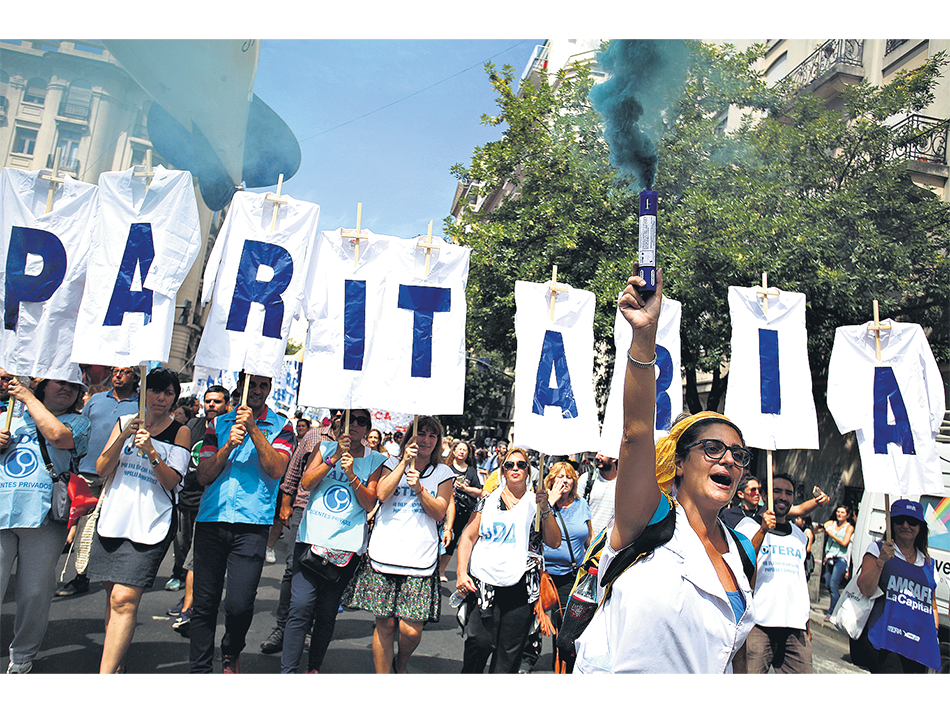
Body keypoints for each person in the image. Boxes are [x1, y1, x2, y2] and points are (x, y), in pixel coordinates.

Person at [574, 264, 756, 674]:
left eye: (738, 455)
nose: (728, 459)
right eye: (712, 448)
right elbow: (637, 433)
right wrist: (643, 338)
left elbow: (735, 652)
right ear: (678, 462)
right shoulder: (649, 517)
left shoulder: (743, 551)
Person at [189, 373, 295, 674]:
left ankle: (231, 650)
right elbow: (204, 476)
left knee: (239, 604)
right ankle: (198, 669)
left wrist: (252, 429)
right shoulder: (218, 424)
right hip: (212, 520)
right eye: (252, 385)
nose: (258, 391)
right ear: (240, 387)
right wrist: (227, 447)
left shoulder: (282, 426)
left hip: (252, 525)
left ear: (270, 388)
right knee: (204, 603)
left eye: (264, 385)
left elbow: (276, 468)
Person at [87, 367, 191, 674]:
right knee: (112, 595)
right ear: (144, 392)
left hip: (151, 523)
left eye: (168, 392)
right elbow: (103, 467)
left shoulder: (179, 432)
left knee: (124, 598)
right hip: (115, 519)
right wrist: (124, 437)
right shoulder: (124, 422)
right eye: (155, 390)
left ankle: (104, 677)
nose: (161, 398)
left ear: (174, 398)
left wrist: (151, 451)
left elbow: (172, 482)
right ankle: (115, 664)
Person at [342, 415, 455, 674]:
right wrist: (403, 463)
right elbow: (381, 494)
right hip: (385, 552)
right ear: (409, 438)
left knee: (411, 628)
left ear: (437, 442)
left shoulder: (443, 472)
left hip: (420, 558)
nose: (425, 439)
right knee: (385, 624)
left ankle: (401, 663)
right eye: (421, 433)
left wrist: (419, 490)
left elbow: (439, 511)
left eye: (432, 435)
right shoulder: (390, 462)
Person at [280, 408, 387, 673]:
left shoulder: (376, 460)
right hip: (311, 539)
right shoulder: (324, 447)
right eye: (350, 421)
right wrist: (334, 458)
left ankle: (313, 667)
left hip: (346, 548)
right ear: (339, 424)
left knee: (327, 613)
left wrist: (351, 474)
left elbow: (369, 501)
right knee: (301, 607)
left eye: (362, 422)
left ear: (367, 428)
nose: (355, 426)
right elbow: (306, 483)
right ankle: (288, 671)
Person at [0, 374, 91, 674]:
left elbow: (58, 437)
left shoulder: (79, 424)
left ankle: (22, 658)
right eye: (58, 382)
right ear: (43, 385)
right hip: (2, 513)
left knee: (34, 593)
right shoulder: (7, 416)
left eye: (73, 385)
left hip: (44, 519)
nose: (66, 387)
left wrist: (28, 398)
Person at [455, 447, 561, 673]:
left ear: (528, 471)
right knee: (478, 643)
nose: (515, 468)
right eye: (509, 465)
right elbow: (468, 536)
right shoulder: (487, 502)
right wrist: (461, 573)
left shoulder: (537, 502)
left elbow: (554, 541)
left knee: (508, 656)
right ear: (502, 471)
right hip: (485, 585)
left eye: (521, 465)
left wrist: (545, 509)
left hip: (520, 589)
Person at [56, 365, 140, 597]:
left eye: (124, 372)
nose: (117, 375)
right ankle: (80, 575)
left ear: (135, 377)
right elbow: (80, 430)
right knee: (81, 526)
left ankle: (108, 575)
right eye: (115, 371)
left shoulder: (140, 406)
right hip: (87, 470)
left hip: (117, 475)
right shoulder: (95, 400)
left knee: (106, 527)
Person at [260, 409, 338, 655]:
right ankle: (283, 626)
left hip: (338, 517)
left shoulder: (363, 445)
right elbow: (293, 471)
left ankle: (309, 625)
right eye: (342, 414)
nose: (348, 421)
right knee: (294, 568)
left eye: (359, 419)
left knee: (326, 571)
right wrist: (286, 502)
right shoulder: (314, 436)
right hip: (304, 509)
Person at [167, 385, 231, 631]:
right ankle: (188, 598)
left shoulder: (227, 428)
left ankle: (189, 610)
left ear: (226, 404)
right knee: (182, 551)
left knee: (196, 558)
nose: (211, 405)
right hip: (185, 499)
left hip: (209, 502)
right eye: (208, 401)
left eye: (217, 401)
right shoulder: (192, 426)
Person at [736, 473, 813, 674]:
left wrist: (806, 622)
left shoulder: (800, 537)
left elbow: (799, 583)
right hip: (759, 625)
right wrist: (762, 530)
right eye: (776, 491)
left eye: (788, 493)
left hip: (795, 629)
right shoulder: (748, 527)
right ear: (764, 495)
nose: (783, 497)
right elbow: (742, 563)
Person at [856, 499, 943, 673]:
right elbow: (865, 588)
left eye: (912, 521)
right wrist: (881, 561)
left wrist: (933, 633)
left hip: (916, 645)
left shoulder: (929, 564)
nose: (906, 525)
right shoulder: (877, 549)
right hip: (884, 640)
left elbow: (931, 605)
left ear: (920, 527)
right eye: (899, 520)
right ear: (891, 524)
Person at [524, 460, 592, 673]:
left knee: (565, 627)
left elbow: (588, 537)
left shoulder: (582, 505)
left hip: (571, 575)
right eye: (560, 476)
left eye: (569, 476)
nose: (565, 480)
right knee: (534, 622)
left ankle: (561, 667)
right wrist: (549, 501)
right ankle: (526, 660)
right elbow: (531, 528)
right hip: (543, 573)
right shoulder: (542, 503)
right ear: (551, 480)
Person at [439, 440, 482, 581]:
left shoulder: (471, 471)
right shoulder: (446, 468)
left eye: (465, 450)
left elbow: (478, 491)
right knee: (440, 537)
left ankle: (441, 570)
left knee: (453, 538)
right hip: (445, 509)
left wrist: (465, 489)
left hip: (464, 510)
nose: (462, 452)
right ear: (454, 451)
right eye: (460, 449)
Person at [822, 504, 854, 619]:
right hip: (830, 557)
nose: (839, 514)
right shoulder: (832, 523)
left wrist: (831, 534)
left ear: (847, 515)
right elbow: (824, 525)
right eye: (838, 512)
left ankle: (832, 612)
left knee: (833, 584)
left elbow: (845, 542)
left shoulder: (849, 527)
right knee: (828, 584)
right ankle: (836, 606)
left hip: (841, 559)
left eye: (842, 512)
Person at [580, 454, 618, 537]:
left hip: (611, 542)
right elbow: (577, 510)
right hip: (589, 541)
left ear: (614, 458)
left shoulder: (624, 482)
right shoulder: (586, 478)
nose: (597, 457)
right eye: (597, 454)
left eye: (602, 455)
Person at [794, 515, 816, 582]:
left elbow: (808, 548)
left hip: (805, 560)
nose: (796, 520)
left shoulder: (807, 531)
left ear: (804, 521)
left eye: (798, 518)